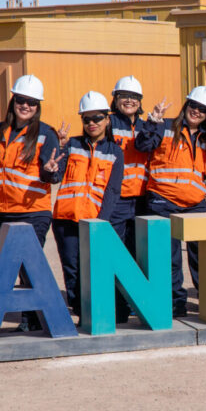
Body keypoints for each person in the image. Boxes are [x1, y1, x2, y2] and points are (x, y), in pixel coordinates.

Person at [0, 74, 63, 332]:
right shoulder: (1, 129)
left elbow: (53, 174)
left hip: (32, 212)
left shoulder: (46, 134)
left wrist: (50, 171)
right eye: (21, 100)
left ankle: (31, 321)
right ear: (13, 101)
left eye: (32, 102)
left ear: (38, 106)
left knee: (27, 268)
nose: (26, 105)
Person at [135, 86, 206, 318]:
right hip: (164, 202)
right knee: (169, 258)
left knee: (202, 257)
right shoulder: (165, 126)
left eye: (203, 109)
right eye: (194, 105)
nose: (197, 111)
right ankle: (176, 303)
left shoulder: (205, 138)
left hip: (195, 204)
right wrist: (153, 120)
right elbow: (143, 145)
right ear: (186, 105)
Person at [51, 91, 125, 321]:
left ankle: (97, 313)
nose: (92, 123)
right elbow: (54, 177)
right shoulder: (71, 145)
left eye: (97, 118)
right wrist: (51, 164)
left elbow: (113, 191)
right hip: (66, 219)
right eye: (87, 119)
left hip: (94, 221)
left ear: (107, 120)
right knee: (72, 269)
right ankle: (81, 313)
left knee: (94, 269)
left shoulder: (115, 152)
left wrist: (101, 222)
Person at [108, 75, 152, 247]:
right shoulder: (108, 123)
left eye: (134, 97)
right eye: (124, 96)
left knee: (139, 249)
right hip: (116, 198)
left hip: (142, 199)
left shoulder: (146, 126)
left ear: (140, 102)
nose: (129, 100)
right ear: (115, 99)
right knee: (115, 248)